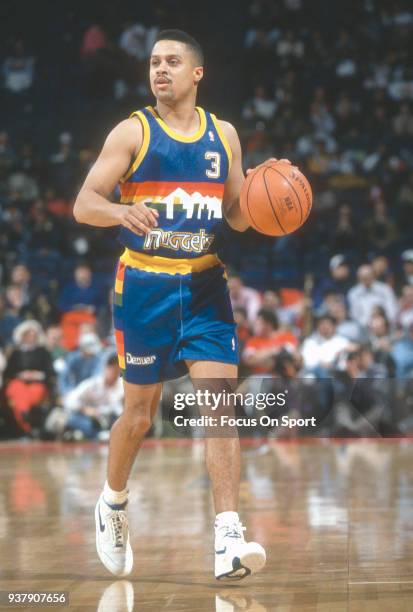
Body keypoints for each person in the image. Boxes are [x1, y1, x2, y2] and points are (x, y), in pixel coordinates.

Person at [74, 30, 280, 580]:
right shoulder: (133, 131)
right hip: (144, 286)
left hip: (206, 285)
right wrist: (121, 213)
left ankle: (228, 538)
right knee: (138, 417)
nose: (159, 70)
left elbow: (236, 214)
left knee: (220, 407)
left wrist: (267, 195)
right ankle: (113, 502)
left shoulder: (225, 136)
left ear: (197, 73)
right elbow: (83, 203)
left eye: (171, 62)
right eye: (153, 62)